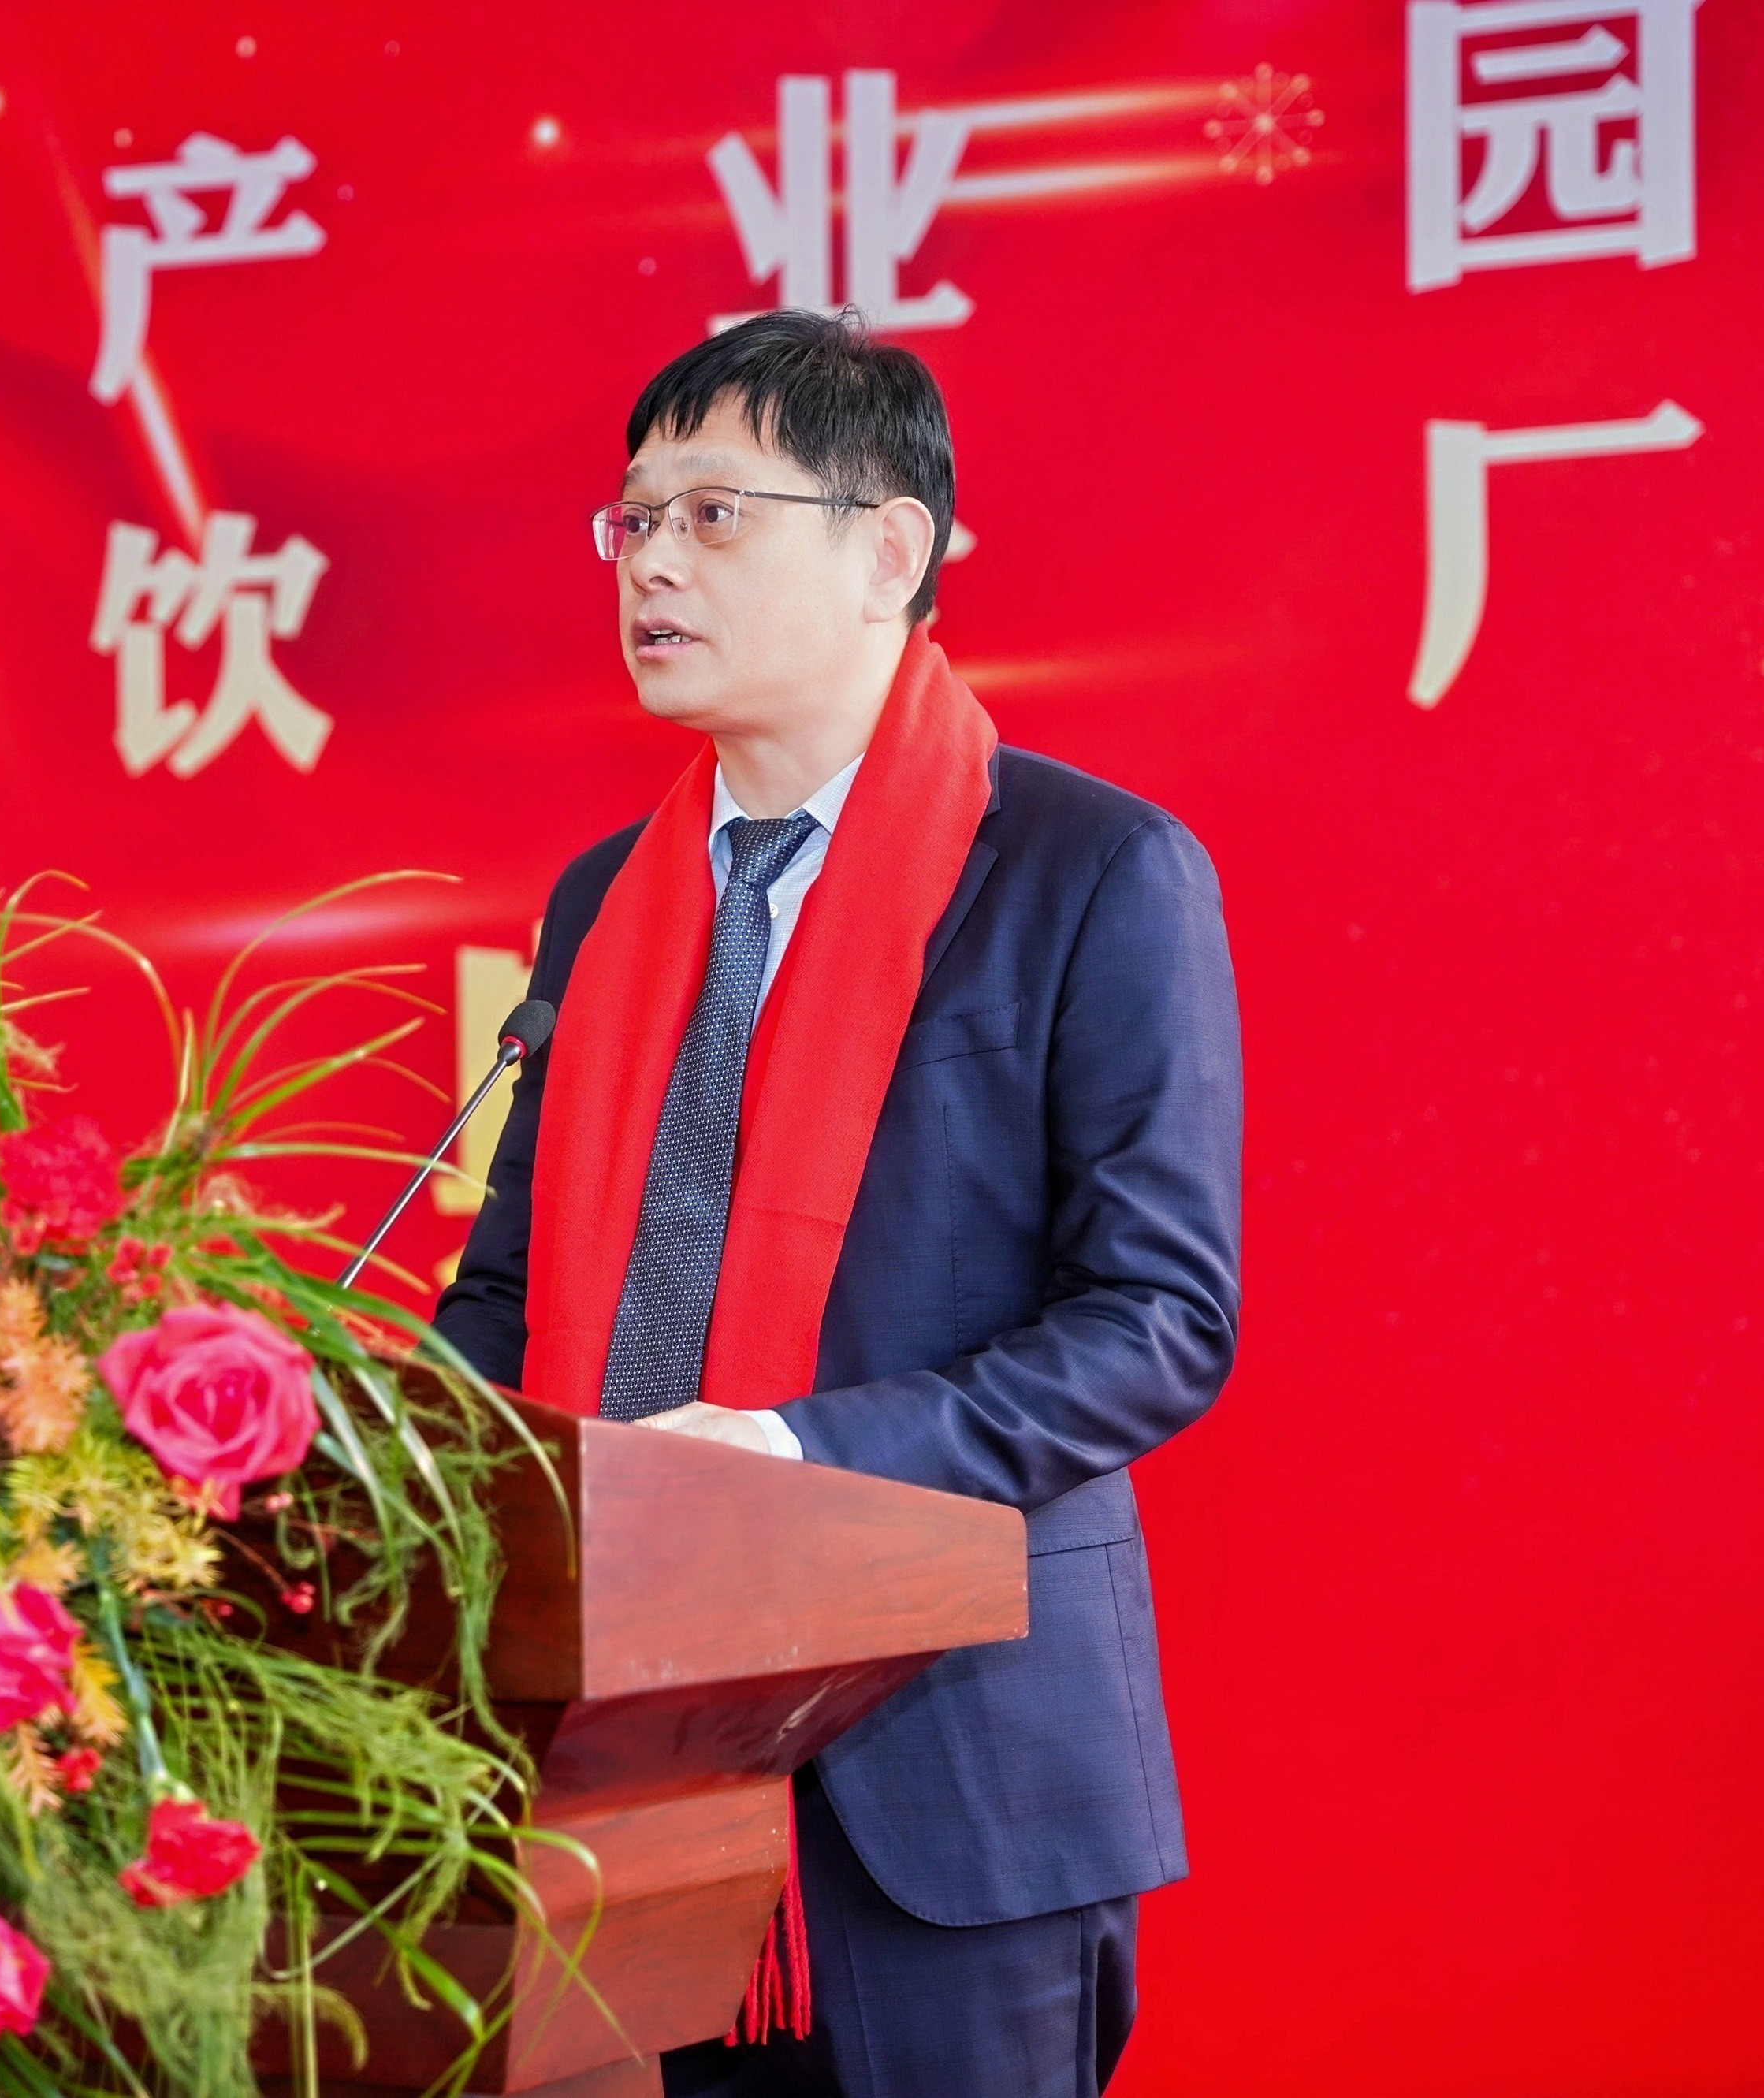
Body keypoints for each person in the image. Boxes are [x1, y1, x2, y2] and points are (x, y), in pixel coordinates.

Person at [433, 308, 1242, 2097]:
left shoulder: (1090, 872)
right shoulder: (602, 900)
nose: (652, 562)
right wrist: (388, 1457)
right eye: (634, 520)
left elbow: (1159, 1322)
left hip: (949, 1765)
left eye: (715, 514)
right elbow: (503, 1294)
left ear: (890, 549)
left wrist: (792, 1456)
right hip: (614, 1769)